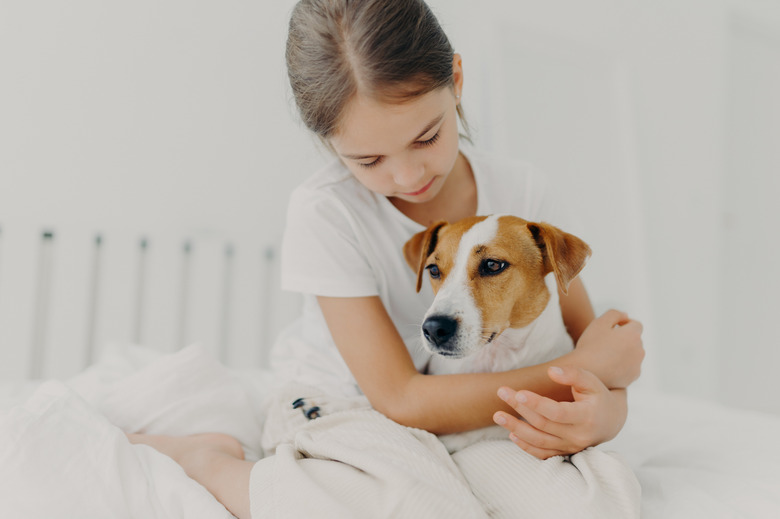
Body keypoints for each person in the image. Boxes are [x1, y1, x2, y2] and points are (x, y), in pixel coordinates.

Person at [130, 1, 644, 517]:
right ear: (328, 142)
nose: (406, 176)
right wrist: (581, 368)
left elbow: (600, 355)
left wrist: (608, 413)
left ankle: (434, 479)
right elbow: (400, 400)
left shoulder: (522, 192)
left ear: (457, 81)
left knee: (595, 502)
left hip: (468, 422)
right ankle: (213, 462)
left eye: (427, 137)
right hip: (341, 404)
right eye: (369, 159)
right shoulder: (327, 212)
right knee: (410, 504)